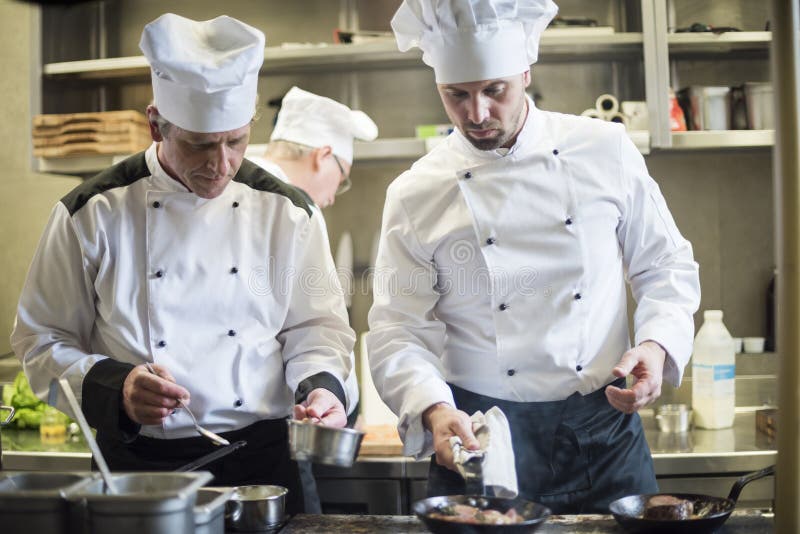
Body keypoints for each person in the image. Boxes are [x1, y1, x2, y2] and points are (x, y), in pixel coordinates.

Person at [10, 13, 354, 515]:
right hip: (137, 470)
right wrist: (117, 387)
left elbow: (318, 329)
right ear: (156, 124)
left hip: (262, 469)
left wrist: (323, 388)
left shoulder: (288, 211)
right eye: (199, 144)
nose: (219, 164)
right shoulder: (92, 212)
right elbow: (40, 342)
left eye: (235, 141)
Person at [367, 0, 701, 514]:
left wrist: (655, 348)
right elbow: (397, 328)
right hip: (478, 435)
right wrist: (432, 408)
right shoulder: (415, 191)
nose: (476, 114)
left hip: (602, 430)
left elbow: (665, 265)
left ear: (525, 71)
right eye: (457, 95)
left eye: (494, 91)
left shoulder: (604, 149)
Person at [249, 86, 378, 512]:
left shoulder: (234, 182)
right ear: (322, 155)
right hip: (266, 441)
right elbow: (317, 326)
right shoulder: (295, 204)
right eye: (341, 176)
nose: (331, 193)